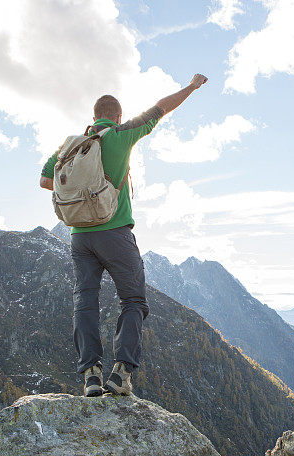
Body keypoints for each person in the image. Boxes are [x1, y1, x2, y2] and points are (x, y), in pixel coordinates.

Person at [40, 74, 208, 397]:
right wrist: (190, 88)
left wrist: (83, 191)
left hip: (79, 238)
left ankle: (90, 374)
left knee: (84, 300)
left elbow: (47, 180)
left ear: (92, 118)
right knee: (133, 300)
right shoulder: (120, 135)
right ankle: (121, 373)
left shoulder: (71, 145)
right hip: (115, 234)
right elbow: (160, 109)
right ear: (117, 116)